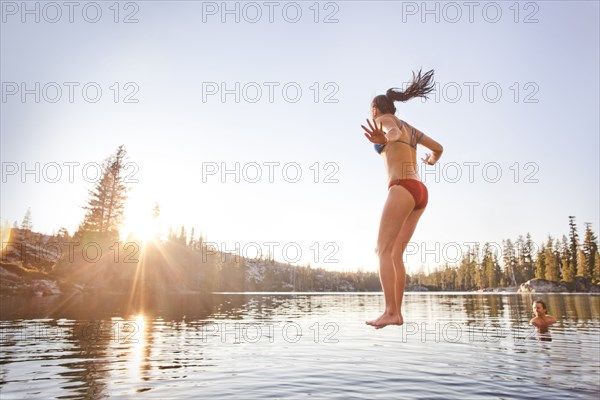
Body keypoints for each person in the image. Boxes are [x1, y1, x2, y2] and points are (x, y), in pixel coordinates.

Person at [361, 68, 444, 329]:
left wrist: (386, 137)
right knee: (395, 253)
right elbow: (439, 148)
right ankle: (395, 313)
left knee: (381, 250)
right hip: (420, 191)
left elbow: (393, 133)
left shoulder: (385, 120)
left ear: (375, 110)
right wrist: (429, 160)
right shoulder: (412, 129)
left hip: (401, 188)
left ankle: (390, 311)